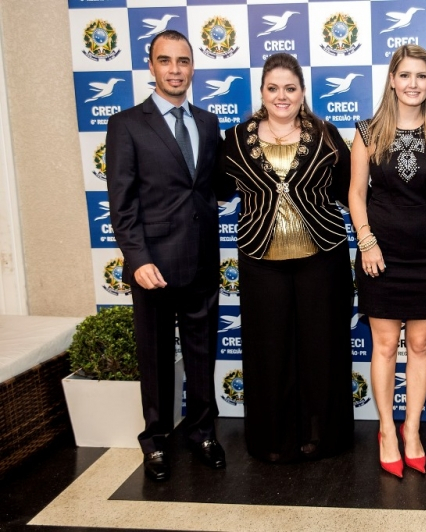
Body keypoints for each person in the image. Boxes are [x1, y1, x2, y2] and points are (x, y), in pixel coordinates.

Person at [214, 53, 353, 463]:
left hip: (322, 256)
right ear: (261, 92)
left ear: (302, 92)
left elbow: (349, 191)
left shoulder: (326, 134)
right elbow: (219, 190)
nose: (282, 96)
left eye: (290, 88)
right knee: (269, 351)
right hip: (260, 260)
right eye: (273, 88)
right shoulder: (235, 139)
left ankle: (321, 436)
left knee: (321, 348)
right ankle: (273, 440)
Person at [107, 30, 225, 481]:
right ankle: (155, 442)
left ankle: (202, 433)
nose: (175, 70)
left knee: (202, 355)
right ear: (151, 66)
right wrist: (138, 260)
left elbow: (214, 186)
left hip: (202, 262)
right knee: (155, 359)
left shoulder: (208, 122)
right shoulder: (126, 124)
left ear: (193, 67)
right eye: (166, 60)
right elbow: (122, 203)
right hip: (153, 265)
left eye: (183, 61)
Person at [349, 44, 426, 478]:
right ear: (392, 80)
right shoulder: (367, 131)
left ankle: (411, 429)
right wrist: (367, 242)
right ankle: (387, 431)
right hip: (381, 254)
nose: (413, 83)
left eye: (421, 76)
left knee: (420, 346)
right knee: (383, 346)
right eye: (406, 75)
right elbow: (356, 194)